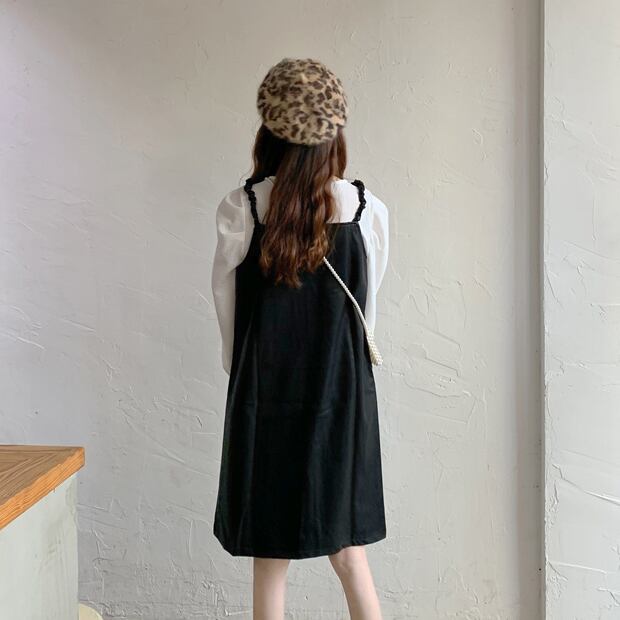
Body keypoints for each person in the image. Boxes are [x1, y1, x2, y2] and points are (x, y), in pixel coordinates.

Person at [211, 57, 389, 620]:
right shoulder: (366, 209)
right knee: (349, 551)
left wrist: (239, 370)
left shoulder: (243, 206)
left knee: (270, 554)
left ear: (268, 131)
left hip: (266, 395)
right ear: (335, 134)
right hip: (342, 393)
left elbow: (226, 307)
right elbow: (367, 308)